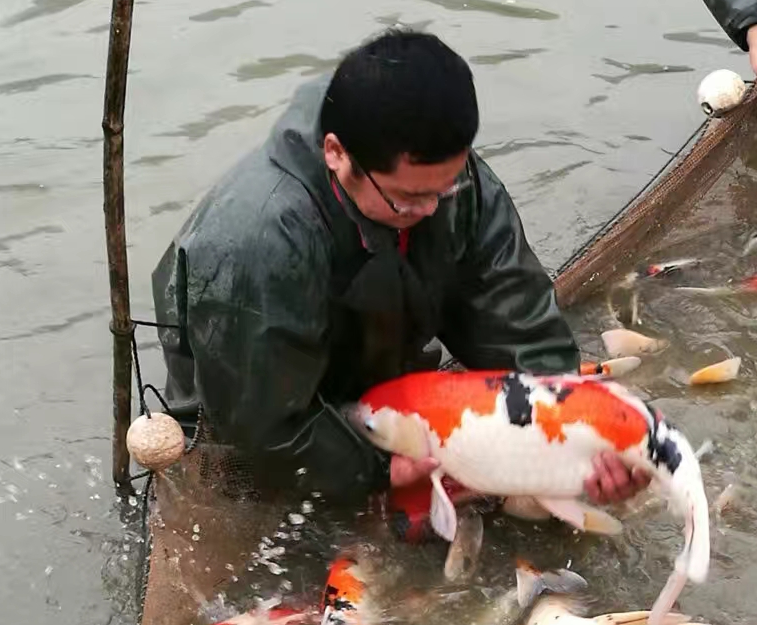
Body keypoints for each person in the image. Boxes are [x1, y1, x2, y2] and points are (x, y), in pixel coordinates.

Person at [153, 30, 644, 505]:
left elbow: (513, 311)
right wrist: (378, 469)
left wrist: (572, 423)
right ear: (336, 154)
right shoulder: (258, 240)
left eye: (444, 187)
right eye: (410, 196)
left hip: (378, 369)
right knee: (278, 502)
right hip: (255, 400)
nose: (433, 209)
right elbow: (262, 423)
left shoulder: (447, 181)